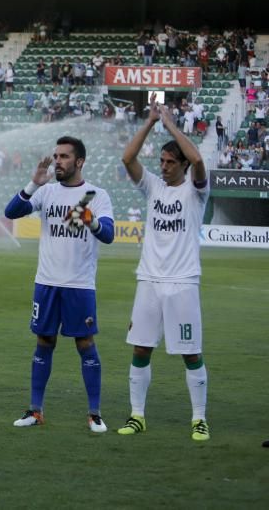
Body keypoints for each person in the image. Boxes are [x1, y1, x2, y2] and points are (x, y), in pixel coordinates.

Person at [4, 136, 115, 432]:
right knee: (44, 342)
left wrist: (89, 220)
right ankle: (35, 411)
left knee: (85, 343)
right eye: (56, 156)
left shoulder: (96, 194)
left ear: (79, 161)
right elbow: (11, 212)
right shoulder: (47, 191)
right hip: (47, 282)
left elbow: (108, 234)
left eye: (64, 156)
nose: (58, 161)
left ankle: (94, 413)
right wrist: (33, 184)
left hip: (80, 284)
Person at [117, 97, 211, 441]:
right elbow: (128, 158)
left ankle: (199, 418)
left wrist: (170, 123)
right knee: (140, 349)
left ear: (183, 165)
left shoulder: (196, 191)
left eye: (171, 161)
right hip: (149, 281)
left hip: (183, 281)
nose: (164, 166)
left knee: (190, 352)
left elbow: (199, 158)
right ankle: (137, 415)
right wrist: (149, 123)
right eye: (162, 160)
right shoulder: (153, 187)